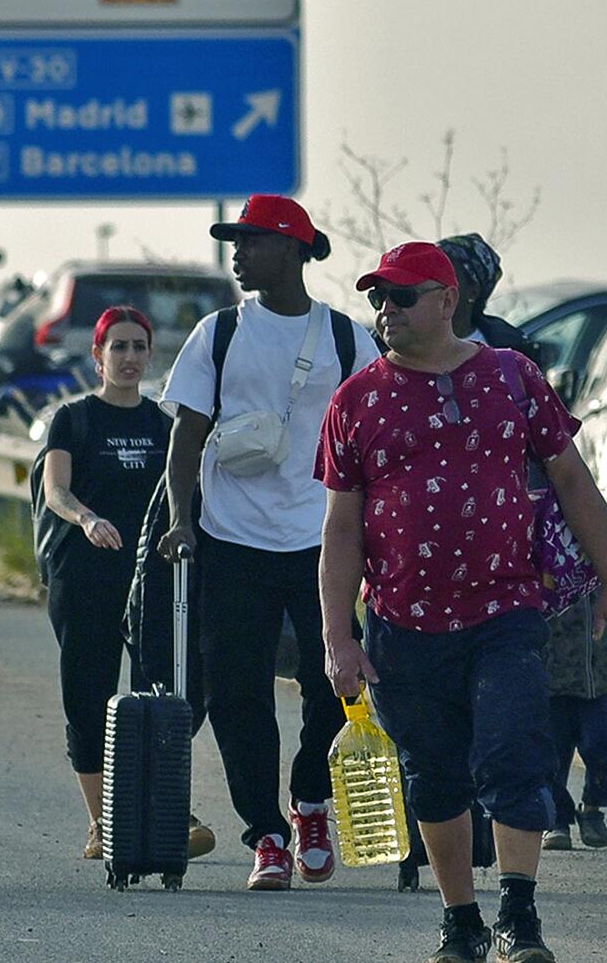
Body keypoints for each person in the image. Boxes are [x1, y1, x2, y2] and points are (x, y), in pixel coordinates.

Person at [318, 240, 607, 963]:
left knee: (514, 756)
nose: (385, 310)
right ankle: (460, 918)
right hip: (402, 623)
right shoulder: (357, 398)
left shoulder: (512, 376)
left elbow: (572, 481)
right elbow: (341, 526)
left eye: (400, 297)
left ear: (446, 298)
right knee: (433, 773)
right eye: (377, 298)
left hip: (505, 612)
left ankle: (518, 915)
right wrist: (338, 634)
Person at [155, 193, 377, 890]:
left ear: (292, 249)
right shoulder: (217, 333)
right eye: (236, 241)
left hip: (323, 539)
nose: (237, 252)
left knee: (332, 681)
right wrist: (181, 516)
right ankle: (269, 835)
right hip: (232, 536)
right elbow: (186, 434)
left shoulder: (348, 338)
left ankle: (311, 798)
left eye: (251, 241)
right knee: (237, 689)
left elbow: (377, 438)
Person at [36, 306, 196, 860]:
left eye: (138, 347)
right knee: (88, 698)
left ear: (151, 356)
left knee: (163, 693)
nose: (129, 358)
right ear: (97, 356)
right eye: (118, 348)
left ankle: (155, 805)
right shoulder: (73, 420)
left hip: (153, 581)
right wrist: (86, 518)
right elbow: (55, 491)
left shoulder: (163, 424)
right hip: (84, 578)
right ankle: (102, 820)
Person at [539, 590, 607, 852]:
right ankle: (557, 821)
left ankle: (592, 809)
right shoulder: (545, 573)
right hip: (552, 687)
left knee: (601, 744)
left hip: (596, 687)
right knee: (551, 759)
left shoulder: (603, 578)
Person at [436, 233, 549, 369]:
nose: (432, 282)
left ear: (473, 291)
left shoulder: (511, 350)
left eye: (446, 274)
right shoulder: (408, 341)